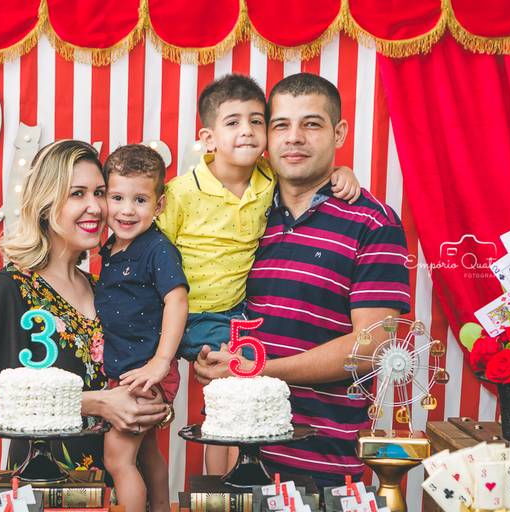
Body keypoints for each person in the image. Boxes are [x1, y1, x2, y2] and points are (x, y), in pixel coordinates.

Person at [194, 73, 411, 488]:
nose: (294, 137)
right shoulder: (241, 213)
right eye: (281, 125)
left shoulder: (373, 223)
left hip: (321, 467)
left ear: (338, 133)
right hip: (234, 456)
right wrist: (211, 356)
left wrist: (257, 371)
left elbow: (372, 347)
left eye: (311, 124)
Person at [156, 74, 361, 474]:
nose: (247, 131)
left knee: (231, 395)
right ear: (208, 138)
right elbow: (155, 249)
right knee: (236, 389)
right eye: (233, 123)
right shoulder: (181, 192)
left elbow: (312, 173)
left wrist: (344, 171)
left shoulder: (268, 179)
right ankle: (223, 483)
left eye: (257, 121)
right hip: (191, 311)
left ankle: (228, 480)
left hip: (236, 312)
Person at [0, 140, 169, 471]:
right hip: (48, 483)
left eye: (99, 193)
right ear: (45, 202)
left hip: (124, 484)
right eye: (77, 193)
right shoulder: (10, 290)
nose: (95, 207)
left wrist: (156, 408)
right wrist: (97, 403)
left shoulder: (106, 289)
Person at [95, 144, 188, 512]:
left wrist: (160, 362)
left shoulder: (157, 249)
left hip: (145, 371)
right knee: (146, 453)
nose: (127, 210)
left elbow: (176, 301)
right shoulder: (110, 248)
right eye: (117, 197)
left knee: (117, 459)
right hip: (127, 369)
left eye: (140, 200)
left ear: (159, 205)